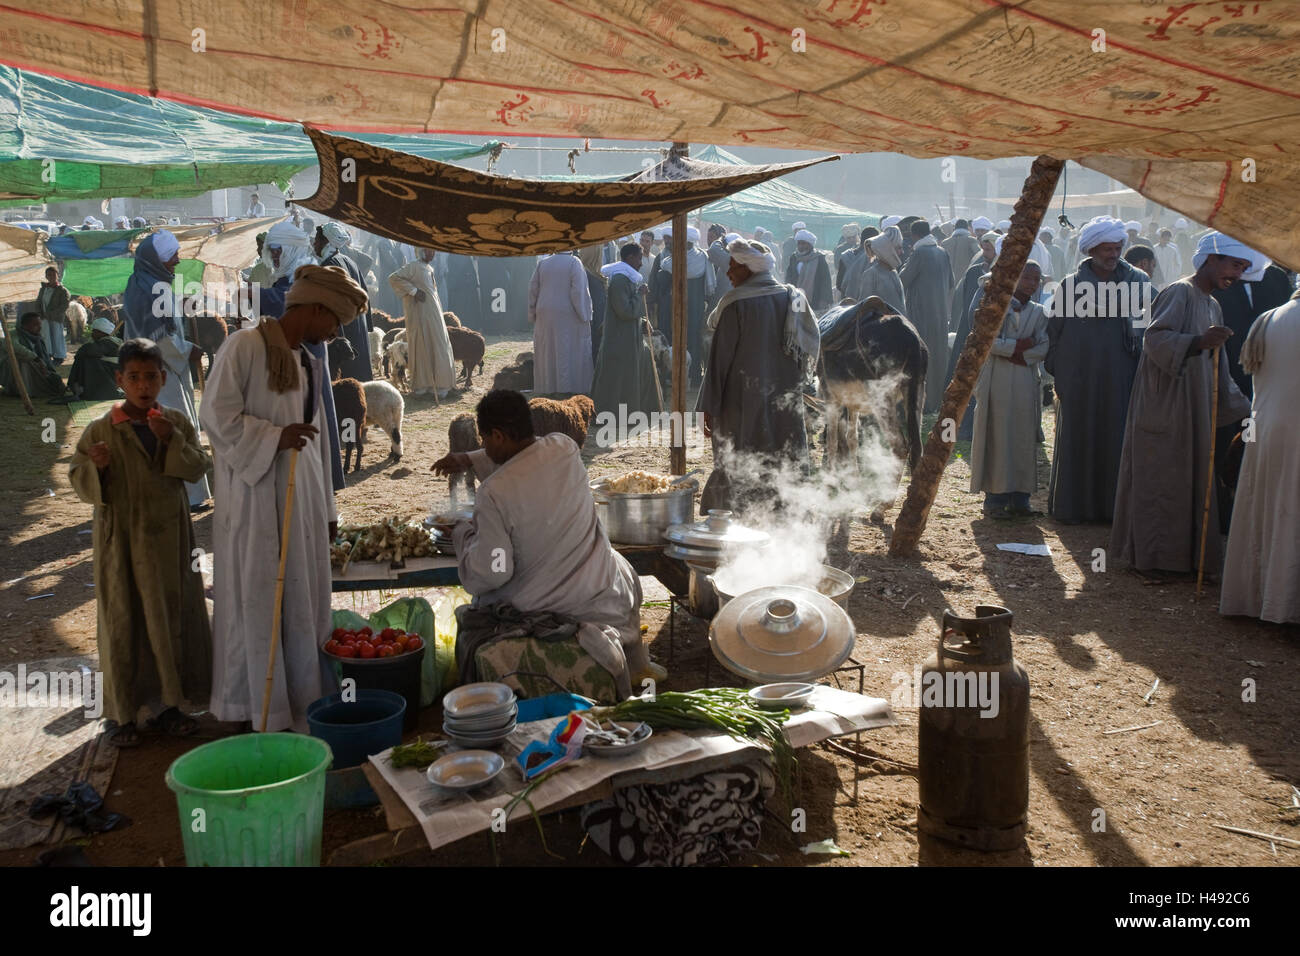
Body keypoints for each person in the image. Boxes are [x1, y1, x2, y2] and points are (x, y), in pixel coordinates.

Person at [200, 265, 367, 732]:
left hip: (304, 499)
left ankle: (300, 702)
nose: (334, 333)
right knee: (258, 598)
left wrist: (328, 509)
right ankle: (256, 708)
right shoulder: (244, 347)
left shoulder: (308, 362)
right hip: (255, 501)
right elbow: (216, 416)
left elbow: (317, 441)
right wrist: (273, 437)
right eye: (333, 322)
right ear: (314, 309)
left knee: (301, 599)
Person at [431, 389, 664, 688]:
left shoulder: (493, 493)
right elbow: (527, 462)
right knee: (619, 564)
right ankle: (636, 664)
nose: (484, 447)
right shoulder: (564, 448)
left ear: (499, 436)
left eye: (485, 439)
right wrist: (468, 458)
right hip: (601, 592)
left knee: (484, 602)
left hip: (547, 604)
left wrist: (464, 534)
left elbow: (495, 569)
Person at [69, 338, 212, 747]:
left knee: (170, 617)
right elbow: (77, 477)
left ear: (163, 379)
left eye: (151, 377)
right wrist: (94, 468)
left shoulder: (175, 421)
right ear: (120, 380)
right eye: (134, 377)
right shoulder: (101, 429)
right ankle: (123, 713)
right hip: (123, 543)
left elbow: (200, 466)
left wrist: (172, 441)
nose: (143, 385)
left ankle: (171, 704)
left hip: (169, 540)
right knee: (123, 619)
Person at [1109, 233, 1254, 578]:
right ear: (1211, 259)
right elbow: (1155, 339)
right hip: (1165, 406)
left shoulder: (1212, 303)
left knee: (1188, 480)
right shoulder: (1180, 292)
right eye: (1234, 265)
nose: (1236, 275)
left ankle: (1183, 559)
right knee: (1162, 479)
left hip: (1195, 408)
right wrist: (1198, 341)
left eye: (1243, 269)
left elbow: (1215, 369)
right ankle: (1152, 559)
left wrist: (1247, 408)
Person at [697, 237, 818, 514]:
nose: (728, 273)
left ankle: (734, 513)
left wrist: (708, 408)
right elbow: (802, 351)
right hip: (784, 397)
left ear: (749, 269)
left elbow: (718, 363)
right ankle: (785, 510)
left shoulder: (735, 304)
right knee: (782, 452)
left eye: (733, 267)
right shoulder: (791, 297)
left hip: (742, 399)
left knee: (738, 455)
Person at [1044, 216, 1148, 524]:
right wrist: (1061, 372)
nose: (1113, 254)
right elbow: (1054, 333)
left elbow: (1149, 328)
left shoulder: (1138, 282)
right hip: (1079, 379)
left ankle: (1114, 510)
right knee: (1079, 438)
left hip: (1122, 377)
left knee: (1117, 439)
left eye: (1117, 248)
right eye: (1106, 249)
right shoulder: (1070, 286)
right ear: (1091, 250)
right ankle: (1074, 509)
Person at [1220, 288, 1300, 623]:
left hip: (1266, 430)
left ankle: (1258, 599)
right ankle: (1285, 605)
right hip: (1293, 432)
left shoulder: (1269, 317)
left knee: (1267, 512)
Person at [122, 230, 211, 508]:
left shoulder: (147, 282)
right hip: (157, 370)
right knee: (174, 427)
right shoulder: (150, 287)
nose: (177, 260)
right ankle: (186, 495)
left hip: (160, 368)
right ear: (158, 258)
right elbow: (157, 336)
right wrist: (188, 350)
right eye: (172, 255)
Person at [969, 261, 1049, 517]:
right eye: (1027, 277)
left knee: (1023, 436)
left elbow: (1044, 345)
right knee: (998, 434)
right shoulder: (995, 306)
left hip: (1025, 379)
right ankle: (994, 499)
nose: (1032, 283)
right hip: (996, 379)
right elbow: (985, 339)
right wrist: (1017, 347)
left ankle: (1020, 499)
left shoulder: (1038, 312)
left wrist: (1019, 354)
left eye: (1036, 279)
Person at [592, 244, 659, 432]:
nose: (640, 263)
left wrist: (643, 319)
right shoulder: (620, 280)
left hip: (628, 337)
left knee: (627, 377)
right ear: (629, 257)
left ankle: (629, 415)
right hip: (619, 339)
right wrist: (640, 294)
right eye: (638, 258)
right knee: (616, 379)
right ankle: (612, 416)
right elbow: (625, 311)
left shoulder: (626, 278)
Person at [900, 219, 953, 411]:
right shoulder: (942, 252)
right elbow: (951, 282)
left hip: (920, 314)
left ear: (914, 236)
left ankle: (925, 403)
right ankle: (938, 400)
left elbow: (902, 281)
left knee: (921, 357)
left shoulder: (919, 253)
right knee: (938, 357)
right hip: (940, 314)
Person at [389, 248, 456, 398]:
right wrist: (413, 291)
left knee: (438, 344)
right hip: (420, 315)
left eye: (433, 251)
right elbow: (394, 278)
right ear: (419, 251)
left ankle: (440, 383)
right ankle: (423, 385)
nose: (432, 254)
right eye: (428, 251)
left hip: (433, 314)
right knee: (422, 344)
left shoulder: (428, 268)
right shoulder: (413, 266)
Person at [528, 250, 594, 394]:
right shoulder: (574, 263)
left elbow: (533, 289)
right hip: (568, 313)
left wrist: (532, 312)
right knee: (567, 351)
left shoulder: (542, 263)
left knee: (548, 350)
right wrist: (585, 314)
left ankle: (546, 387)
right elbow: (578, 292)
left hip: (544, 312)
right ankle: (568, 389)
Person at [313, 223, 372, 381]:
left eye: (317, 240)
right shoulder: (348, 261)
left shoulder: (329, 266)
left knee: (347, 380)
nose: (314, 243)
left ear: (327, 242)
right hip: (357, 327)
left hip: (343, 330)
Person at [661, 226, 717, 386]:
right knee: (685, 337)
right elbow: (709, 286)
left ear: (688, 242)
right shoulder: (696, 258)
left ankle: (688, 375)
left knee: (687, 338)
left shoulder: (676, 260)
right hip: (691, 305)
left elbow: (664, 272)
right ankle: (685, 375)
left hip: (685, 305)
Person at [0, 311, 67, 400]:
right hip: (12, 367)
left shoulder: (37, 338)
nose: (39, 327)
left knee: (55, 380)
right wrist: (36, 358)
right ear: (25, 325)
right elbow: (14, 346)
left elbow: (44, 358)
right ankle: (21, 390)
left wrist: (41, 363)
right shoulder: (14, 334)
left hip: (38, 366)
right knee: (22, 361)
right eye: (35, 324)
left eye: (40, 324)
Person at [849, 226, 906, 313]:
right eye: (898, 248)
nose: (902, 252)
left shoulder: (893, 272)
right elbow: (864, 308)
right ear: (887, 250)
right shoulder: (872, 274)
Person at [66, 317, 123, 400]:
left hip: (113, 374)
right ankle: (78, 386)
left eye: (94, 331)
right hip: (115, 372)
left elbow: (86, 351)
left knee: (88, 361)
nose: (92, 334)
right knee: (84, 358)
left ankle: (80, 387)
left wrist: (83, 351)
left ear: (101, 332)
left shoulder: (108, 342)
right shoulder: (106, 341)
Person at [784, 228, 833, 314]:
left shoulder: (819, 258)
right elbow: (789, 276)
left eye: (804, 243)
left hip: (815, 297)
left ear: (810, 244)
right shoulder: (794, 257)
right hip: (796, 297)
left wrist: (824, 299)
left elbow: (826, 280)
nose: (801, 246)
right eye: (799, 243)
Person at [37, 266, 71, 364]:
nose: (51, 276)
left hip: (56, 318)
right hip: (44, 318)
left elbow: (64, 305)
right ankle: (48, 354)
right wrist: (40, 314)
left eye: (53, 274)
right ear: (46, 276)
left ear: (57, 275)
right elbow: (39, 302)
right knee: (46, 336)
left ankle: (59, 356)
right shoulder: (43, 289)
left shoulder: (62, 290)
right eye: (49, 275)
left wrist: (51, 314)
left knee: (57, 336)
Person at [941, 219, 981, 284]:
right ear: (967, 228)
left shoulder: (945, 242)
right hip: (965, 279)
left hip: (947, 279)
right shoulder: (971, 241)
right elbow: (979, 256)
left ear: (955, 228)